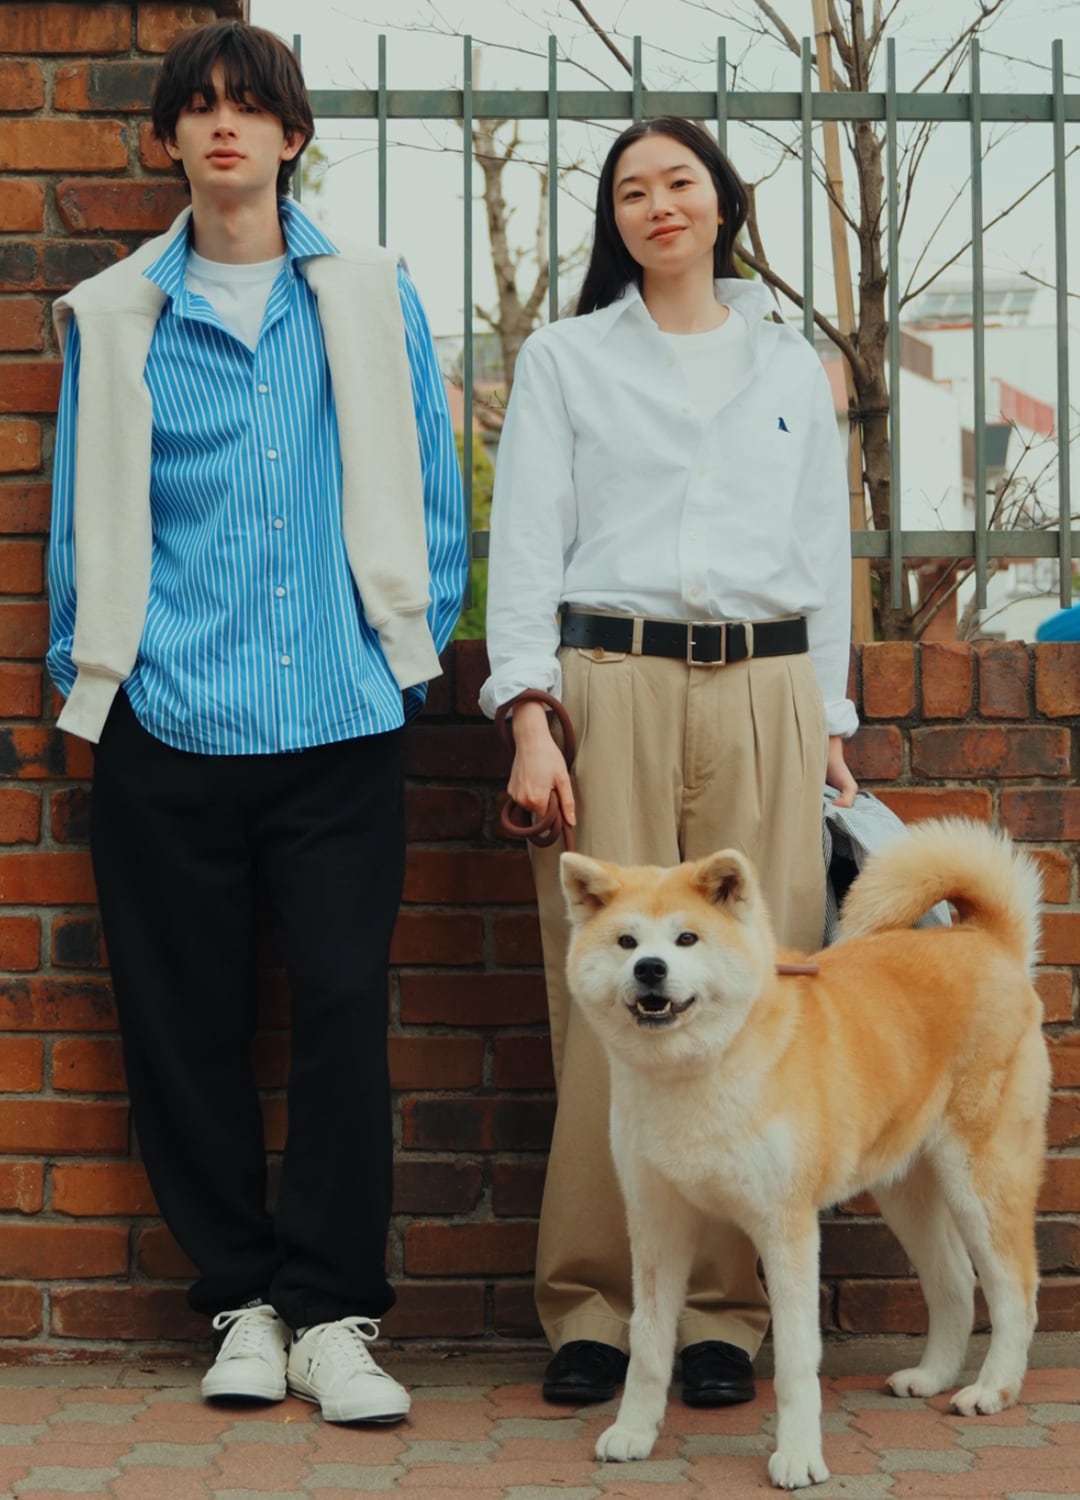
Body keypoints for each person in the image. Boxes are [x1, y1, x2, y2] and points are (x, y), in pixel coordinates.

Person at [47, 20, 466, 1423]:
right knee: (185, 1024)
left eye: (251, 106)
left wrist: (405, 662)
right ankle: (240, 1300)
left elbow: (433, 489)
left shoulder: (369, 295)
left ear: (292, 136)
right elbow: (79, 510)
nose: (224, 125)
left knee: (341, 1012)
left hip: (339, 719)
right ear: (168, 136)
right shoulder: (116, 314)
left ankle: (335, 1315)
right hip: (168, 721)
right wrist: (95, 683)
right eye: (200, 107)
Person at [480, 117, 858, 1407]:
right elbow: (527, 544)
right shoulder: (568, 359)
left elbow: (824, 552)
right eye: (632, 190)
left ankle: (725, 1316)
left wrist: (831, 721)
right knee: (610, 997)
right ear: (616, 219)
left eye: (680, 181)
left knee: (756, 995)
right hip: (614, 683)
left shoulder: (790, 365)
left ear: (722, 202)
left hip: (767, 689)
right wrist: (530, 715)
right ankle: (596, 1305)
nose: (659, 205)